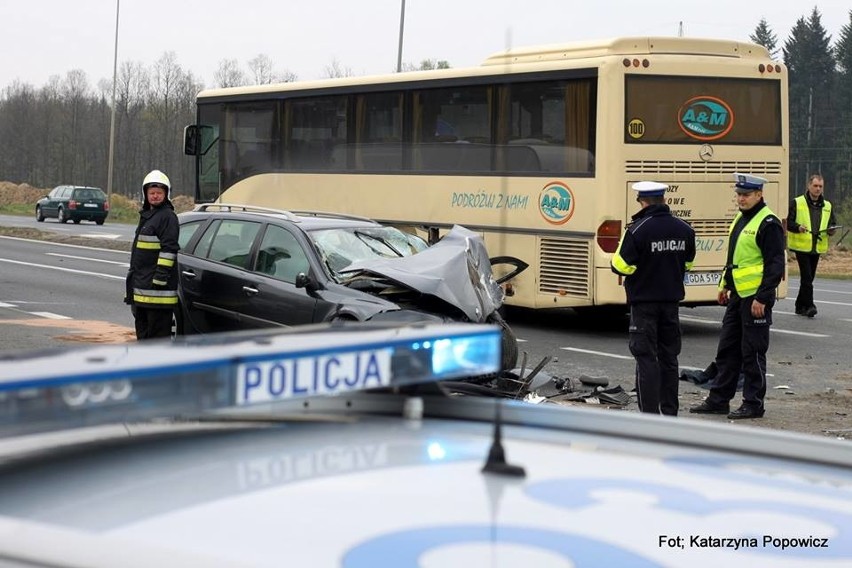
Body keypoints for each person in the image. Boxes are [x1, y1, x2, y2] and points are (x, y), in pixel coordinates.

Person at [690, 173, 785, 419]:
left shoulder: (768, 223)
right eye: (739, 195)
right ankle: (719, 399)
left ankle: (753, 404)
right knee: (727, 350)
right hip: (738, 296)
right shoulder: (741, 220)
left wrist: (763, 298)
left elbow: (775, 265)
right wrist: (725, 285)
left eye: (746, 195)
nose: (741, 199)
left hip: (755, 299)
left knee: (752, 352)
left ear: (759, 194)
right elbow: (734, 260)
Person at [611, 181, 696, 416]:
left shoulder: (638, 229)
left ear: (643, 201)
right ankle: (670, 412)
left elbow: (621, 266)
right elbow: (688, 263)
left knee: (646, 357)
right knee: (669, 358)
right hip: (671, 303)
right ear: (663, 200)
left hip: (644, 303)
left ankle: (649, 414)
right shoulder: (684, 228)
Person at [125, 170, 180, 340]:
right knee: (144, 336)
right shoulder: (149, 217)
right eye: (152, 193)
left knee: (157, 340)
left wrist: (160, 278)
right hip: (143, 289)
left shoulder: (167, 217)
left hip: (158, 293)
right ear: (145, 194)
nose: (155, 196)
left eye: (159, 193)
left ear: (166, 194)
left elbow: (169, 249)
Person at [787, 173, 837, 318]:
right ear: (809, 186)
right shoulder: (797, 202)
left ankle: (799, 305)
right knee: (807, 278)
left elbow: (832, 223)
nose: (817, 189)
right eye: (815, 186)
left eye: (820, 186)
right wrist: (797, 227)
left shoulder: (827, 205)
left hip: (817, 247)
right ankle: (810, 306)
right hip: (801, 247)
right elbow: (788, 222)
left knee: (809, 278)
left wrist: (832, 230)